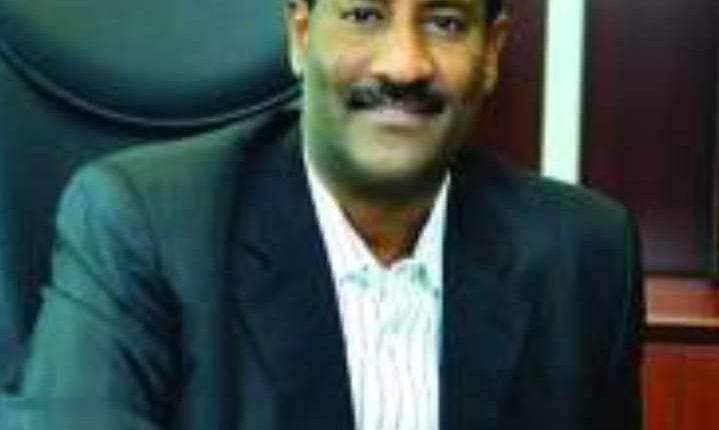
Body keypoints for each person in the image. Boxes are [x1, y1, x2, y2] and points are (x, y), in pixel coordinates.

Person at [4, 0, 644, 429]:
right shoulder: (141, 226)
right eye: (365, 14)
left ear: (492, 52)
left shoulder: (583, 257)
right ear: (301, 33)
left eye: (446, 22)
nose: (404, 64)